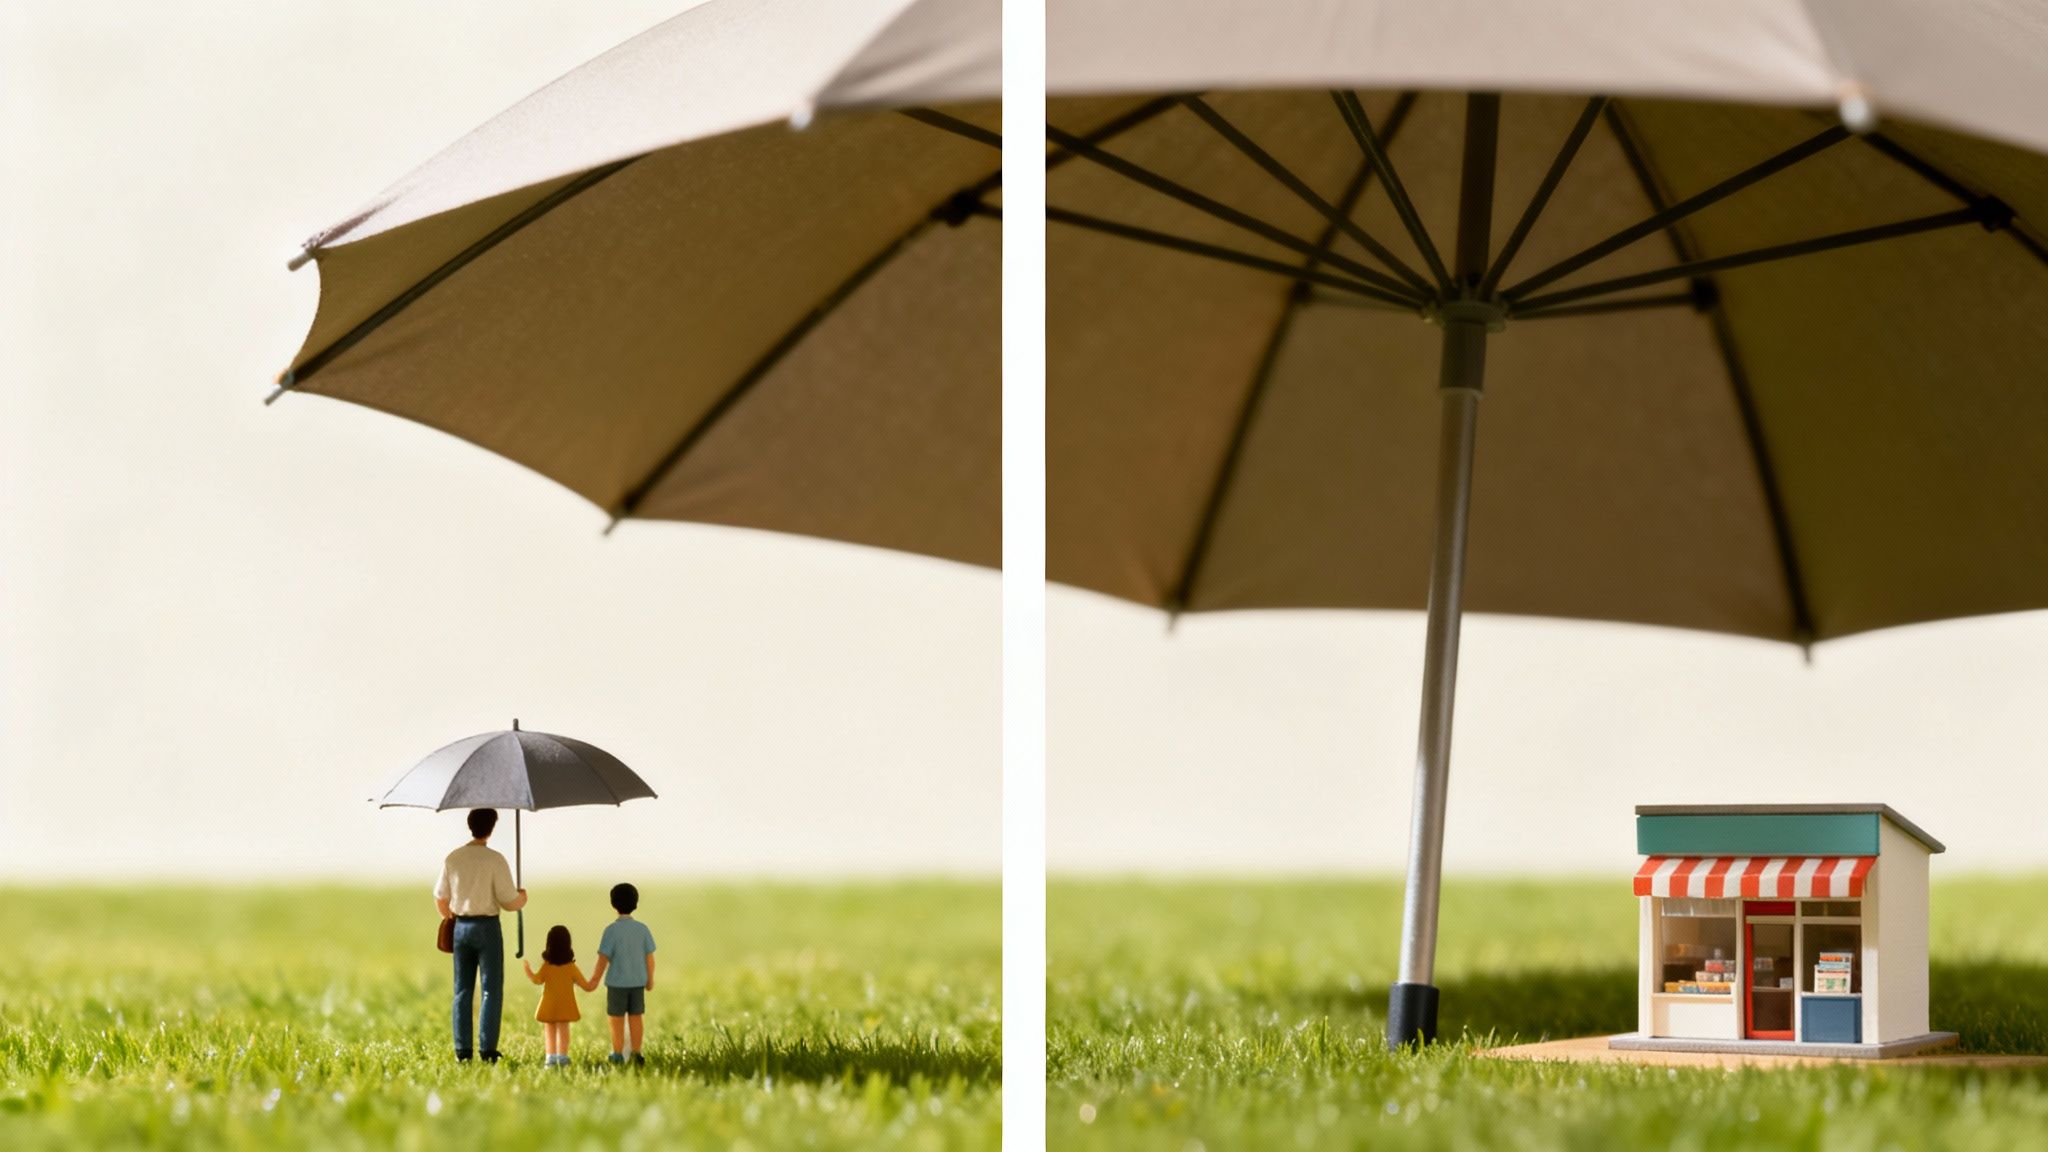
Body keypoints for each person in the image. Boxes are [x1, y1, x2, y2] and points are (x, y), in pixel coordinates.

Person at [434, 808, 528, 1064]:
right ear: (491, 828)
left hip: (461, 927)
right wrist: (522, 898)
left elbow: (441, 898)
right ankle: (487, 1048)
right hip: (487, 928)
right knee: (491, 988)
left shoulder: (453, 858)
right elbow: (509, 902)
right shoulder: (495, 860)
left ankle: (462, 1049)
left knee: (462, 989)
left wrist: (450, 917)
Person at [587, 881, 656, 1065]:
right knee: (636, 1018)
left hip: (617, 983)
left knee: (616, 1019)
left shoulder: (611, 931)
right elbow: (650, 957)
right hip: (637, 982)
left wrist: (594, 980)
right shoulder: (642, 929)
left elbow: (603, 958)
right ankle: (636, 1052)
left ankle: (617, 1053)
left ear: (613, 904)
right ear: (636, 903)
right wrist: (650, 978)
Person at [523, 925, 600, 1068]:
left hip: (549, 1005)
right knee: (563, 1029)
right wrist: (595, 979)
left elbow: (537, 980)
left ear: (549, 945)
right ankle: (562, 1057)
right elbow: (586, 985)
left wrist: (528, 971)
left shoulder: (547, 966)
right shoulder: (570, 967)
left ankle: (550, 1058)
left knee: (550, 1029)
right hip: (565, 1006)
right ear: (568, 945)